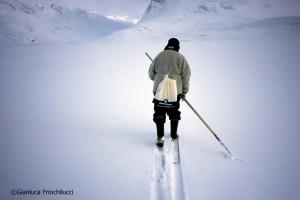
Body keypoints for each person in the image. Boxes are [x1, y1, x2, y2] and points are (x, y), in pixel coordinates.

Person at [148, 38, 191, 147]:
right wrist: (184, 91)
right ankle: (173, 134)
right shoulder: (181, 58)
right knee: (173, 112)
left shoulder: (159, 56)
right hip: (175, 91)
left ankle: (160, 137)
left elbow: (151, 73)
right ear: (177, 47)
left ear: (167, 45)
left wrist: (159, 79)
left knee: (159, 112)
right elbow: (186, 76)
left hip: (159, 91)